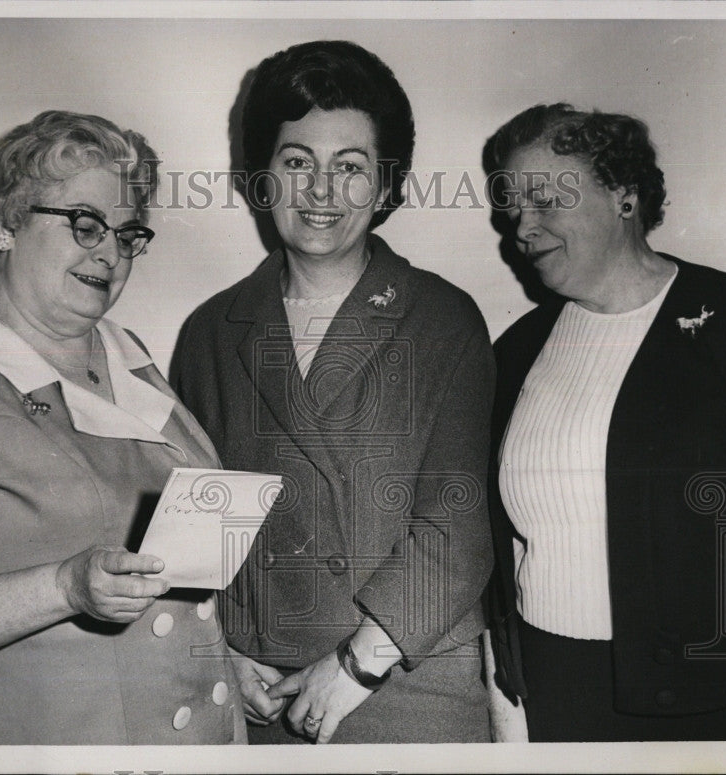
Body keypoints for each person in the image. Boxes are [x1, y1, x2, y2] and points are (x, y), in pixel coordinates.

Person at [0, 110, 245, 745]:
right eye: (85, 224)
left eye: (126, 235)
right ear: (5, 224)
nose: (110, 253)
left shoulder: (131, 355)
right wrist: (65, 587)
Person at [173, 40, 495, 744]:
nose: (321, 192)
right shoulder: (210, 330)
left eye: (350, 167)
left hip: (408, 677)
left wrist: (353, 665)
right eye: (297, 162)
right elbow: (196, 526)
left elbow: (461, 526)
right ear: (263, 178)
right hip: (262, 687)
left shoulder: (441, 318)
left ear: (384, 187)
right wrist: (221, 646)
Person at [482, 103, 726, 741]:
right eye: (513, 206)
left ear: (624, 195)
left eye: (547, 198)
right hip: (558, 690)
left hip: (722, 703)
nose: (522, 226)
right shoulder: (517, 349)